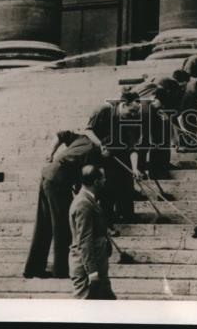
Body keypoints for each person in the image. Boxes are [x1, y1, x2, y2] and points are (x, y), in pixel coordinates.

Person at [23, 133, 103, 279]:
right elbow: (85, 182)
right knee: (63, 225)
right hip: (58, 183)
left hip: (47, 176)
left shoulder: (83, 139)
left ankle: (33, 268)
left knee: (44, 225)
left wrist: (50, 153)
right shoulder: (95, 153)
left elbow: (60, 135)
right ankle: (61, 270)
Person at [84, 91, 143, 223]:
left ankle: (127, 216)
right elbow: (88, 130)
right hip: (101, 154)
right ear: (123, 104)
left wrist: (134, 168)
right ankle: (108, 219)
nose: (133, 115)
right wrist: (101, 146)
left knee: (127, 184)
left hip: (120, 154)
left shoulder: (133, 119)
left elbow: (132, 147)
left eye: (136, 112)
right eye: (131, 111)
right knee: (108, 187)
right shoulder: (103, 111)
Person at [69, 164, 116, 300]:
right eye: (103, 178)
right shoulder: (83, 203)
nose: (105, 181)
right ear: (96, 182)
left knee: (108, 303)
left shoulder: (88, 199)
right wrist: (92, 272)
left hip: (97, 263)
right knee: (84, 309)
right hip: (87, 268)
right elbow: (84, 240)